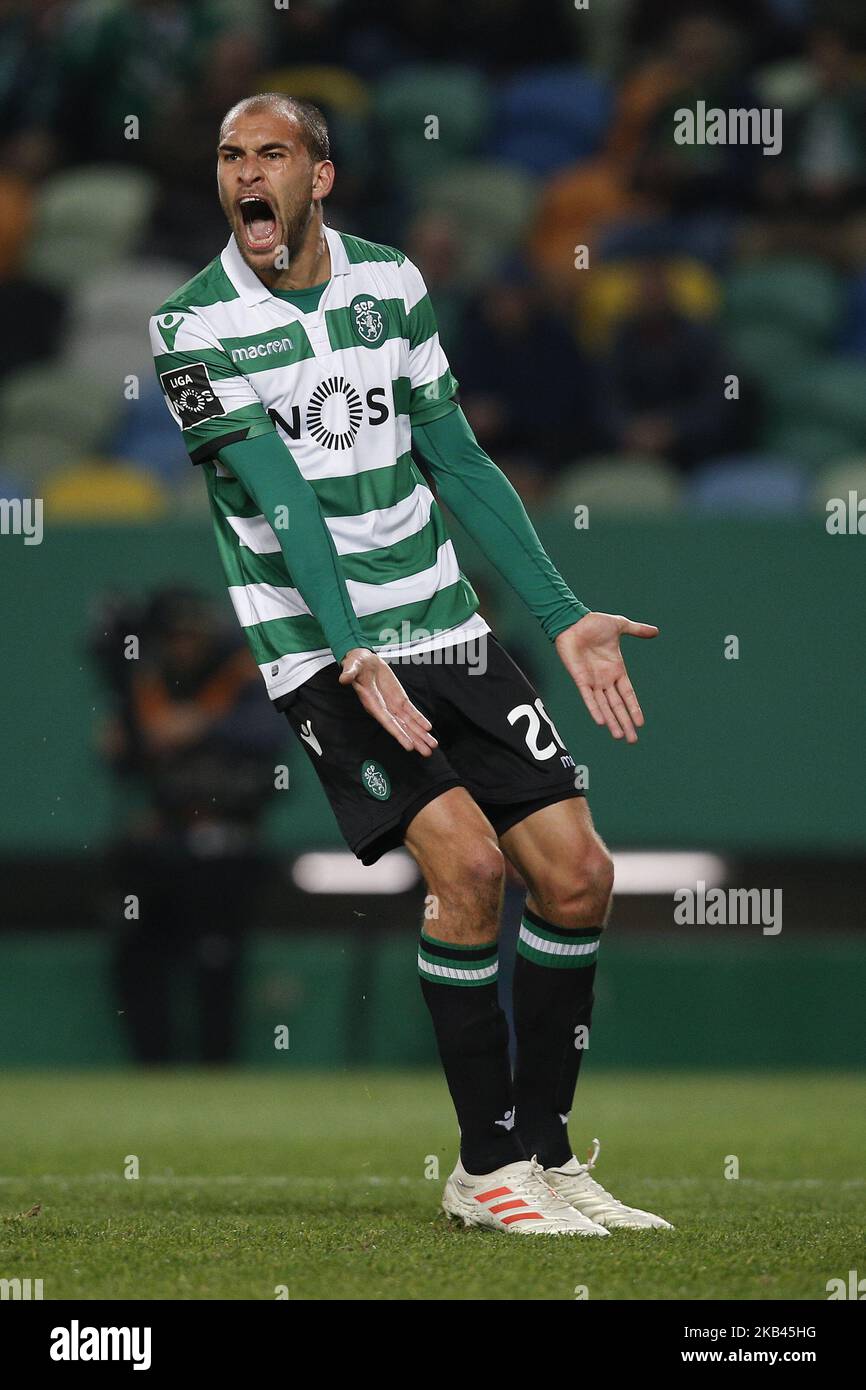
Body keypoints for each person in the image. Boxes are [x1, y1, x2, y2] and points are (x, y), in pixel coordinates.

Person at [149, 92, 671, 1235]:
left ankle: (545, 1153)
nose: (247, 174)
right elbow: (278, 501)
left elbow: (456, 455)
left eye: (271, 154)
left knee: (578, 875)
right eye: (231, 156)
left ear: (318, 176)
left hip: (447, 627)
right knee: (470, 871)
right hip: (320, 651)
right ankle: (483, 1166)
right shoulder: (189, 326)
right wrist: (349, 646)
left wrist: (561, 607)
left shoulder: (390, 284)